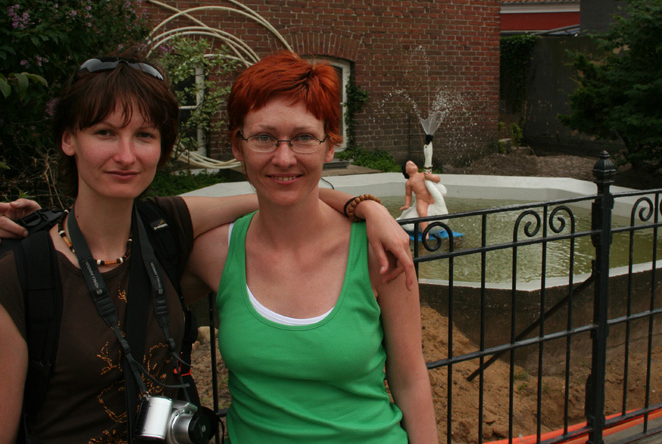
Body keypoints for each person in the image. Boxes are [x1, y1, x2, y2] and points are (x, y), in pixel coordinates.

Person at [0, 52, 413, 443]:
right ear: (69, 139)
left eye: (144, 135)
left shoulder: (164, 230)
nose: (125, 155)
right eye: (105, 132)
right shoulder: (22, 269)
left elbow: (277, 192)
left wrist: (365, 207)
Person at [184, 51, 437, 443]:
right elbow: (153, 225)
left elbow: (410, 380)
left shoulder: (376, 252)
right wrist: (363, 203)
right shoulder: (215, 252)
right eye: (264, 138)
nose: (284, 158)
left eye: (303, 138)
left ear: (330, 145)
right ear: (238, 146)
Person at [401, 160, 442, 233]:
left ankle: (440, 226)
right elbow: (408, 195)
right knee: (422, 213)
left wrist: (430, 177)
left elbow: (438, 179)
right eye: (409, 165)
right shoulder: (409, 182)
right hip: (422, 201)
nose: (412, 164)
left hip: (432, 198)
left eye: (413, 163)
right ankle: (425, 232)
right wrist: (407, 205)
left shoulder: (424, 174)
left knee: (440, 209)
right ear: (406, 171)